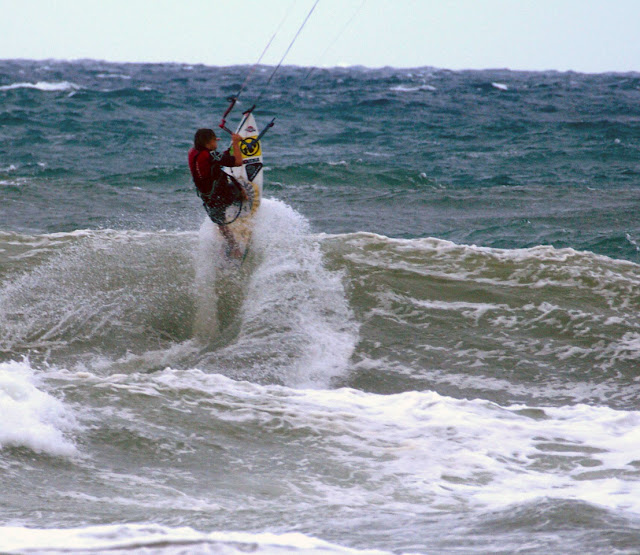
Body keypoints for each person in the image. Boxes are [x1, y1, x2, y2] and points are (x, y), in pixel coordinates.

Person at [188, 128, 246, 257]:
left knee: (221, 222)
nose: (217, 142)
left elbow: (213, 159)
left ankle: (231, 245)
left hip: (207, 197)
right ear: (208, 143)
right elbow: (238, 162)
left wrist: (219, 151)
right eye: (215, 140)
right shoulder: (210, 155)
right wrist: (235, 143)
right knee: (240, 189)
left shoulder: (193, 152)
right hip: (220, 195)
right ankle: (243, 200)